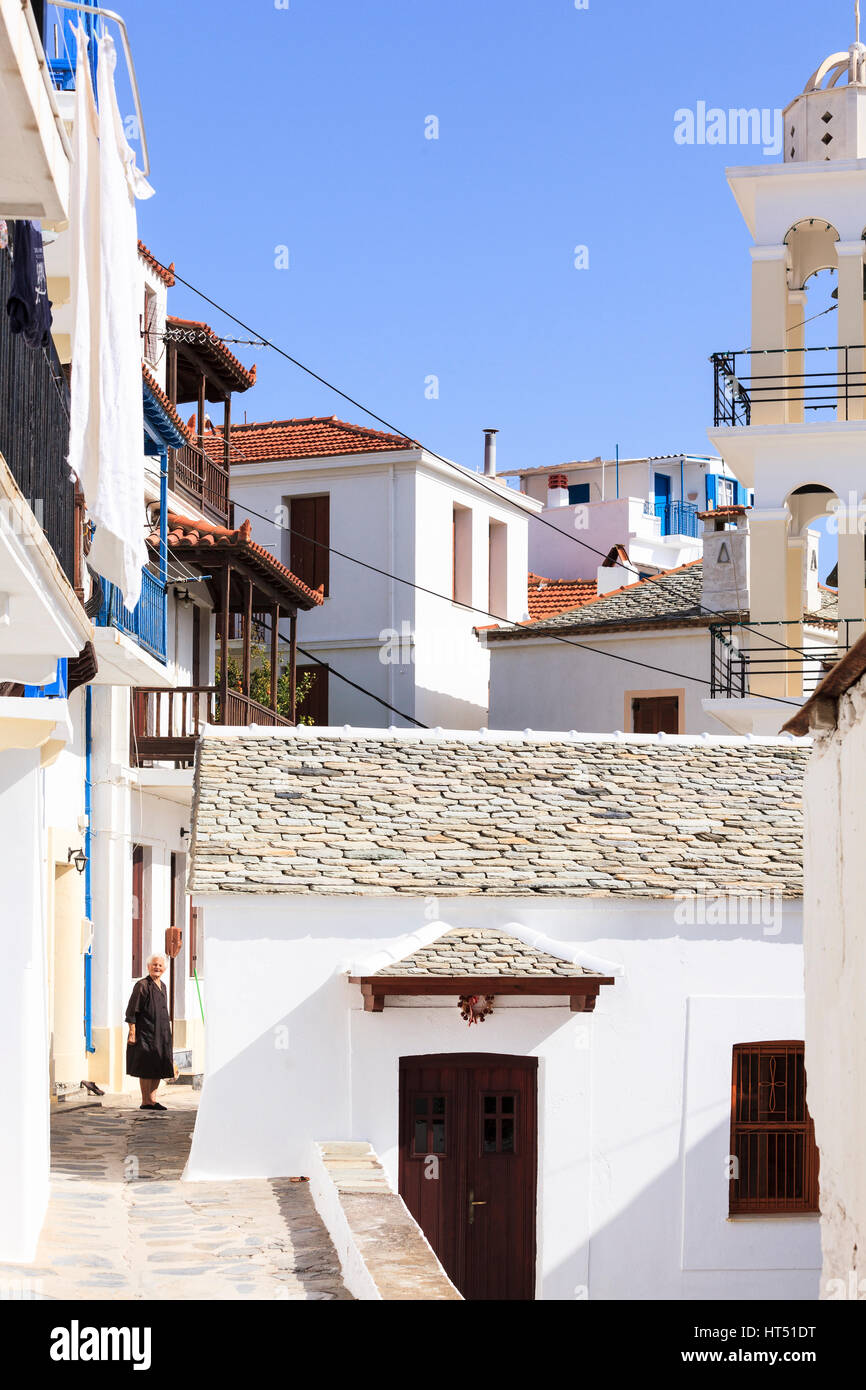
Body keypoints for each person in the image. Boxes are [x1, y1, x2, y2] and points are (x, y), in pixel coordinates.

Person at [125, 954, 174, 1110]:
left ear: (164, 969)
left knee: (158, 1066)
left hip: (161, 1034)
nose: (157, 968)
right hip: (146, 1033)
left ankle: (153, 1099)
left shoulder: (163, 986)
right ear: (148, 967)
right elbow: (132, 1011)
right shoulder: (142, 985)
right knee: (146, 1068)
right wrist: (132, 1032)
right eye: (154, 965)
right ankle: (145, 1100)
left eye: (160, 965)